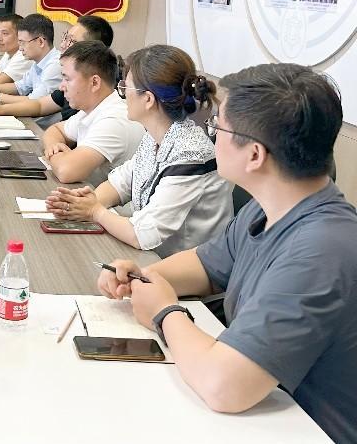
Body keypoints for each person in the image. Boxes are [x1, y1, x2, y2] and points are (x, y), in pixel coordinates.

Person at [96, 63, 356, 443]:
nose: (210, 135)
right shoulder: (268, 207)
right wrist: (146, 277)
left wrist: (164, 311)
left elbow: (223, 386)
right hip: (260, 413)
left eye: (217, 127)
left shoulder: (321, 250)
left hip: (305, 428)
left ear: (254, 155)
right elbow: (206, 264)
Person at [47, 44, 231, 255]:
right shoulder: (157, 136)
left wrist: (95, 211)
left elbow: (144, 235)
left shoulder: (191, 154)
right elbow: (121, 182)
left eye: (126, 88)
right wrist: (82, 202)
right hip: (149, 256)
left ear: (148, 99)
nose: (122, 94)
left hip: (180, 266)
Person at [39, 41, 143, 186]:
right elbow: (55, 130)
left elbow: (66, 171)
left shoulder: (114, 119)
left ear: (94, 83)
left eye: (67, 79)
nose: (61, 87)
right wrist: (54, 146)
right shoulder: (93, 108)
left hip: (104, 200)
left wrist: (54, 155)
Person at [0, 15, 115, 122]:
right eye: (65, 37)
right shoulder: (68, 84)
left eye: (71, 41)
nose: (62, 45)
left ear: (92, 49)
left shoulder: (104, 106)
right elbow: (39, 105)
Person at [0, 14, 62, 126]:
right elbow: (19, 87)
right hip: (28, 120)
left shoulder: (55, 66)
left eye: (23, 43)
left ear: (40, 42)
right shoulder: (38, 61)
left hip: (41, 128)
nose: (20, 48)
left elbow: (34, 102)